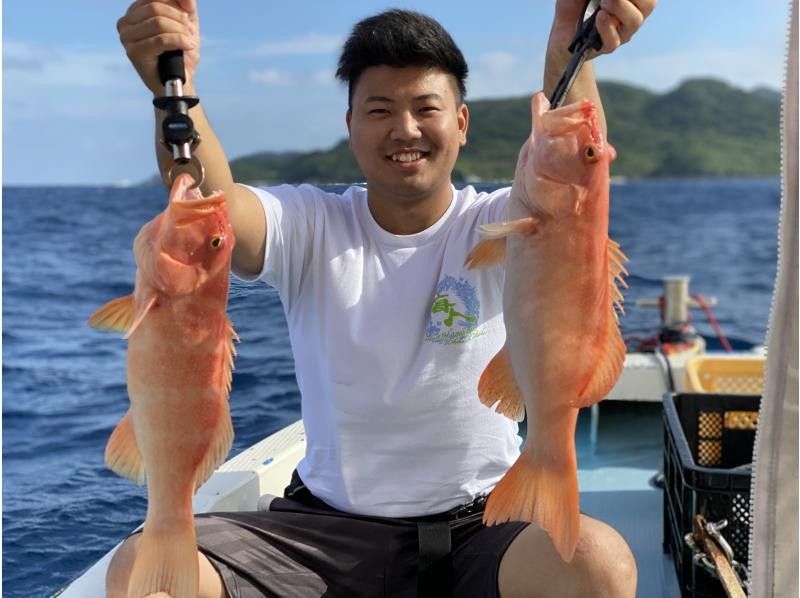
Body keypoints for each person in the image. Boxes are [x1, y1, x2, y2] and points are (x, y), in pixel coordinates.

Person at [109, 1, 655, 596]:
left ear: (463, 123)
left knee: (601, 565)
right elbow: (214, 215)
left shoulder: (507, 223)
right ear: (350, 125)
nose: (406, 129)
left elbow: (577, 182)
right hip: (319, 536)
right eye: (380, 110)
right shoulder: (309, 224)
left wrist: (568, 49)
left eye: (427, 108)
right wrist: (174, 88)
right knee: (141, 572)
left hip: (482, 524)